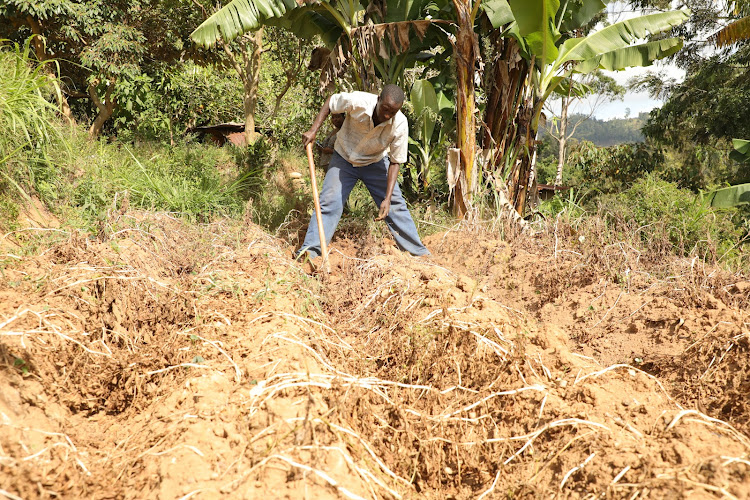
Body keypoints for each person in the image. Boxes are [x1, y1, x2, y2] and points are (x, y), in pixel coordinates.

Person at [297, 85, 430, 260]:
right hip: (343, 157)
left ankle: (417, 252)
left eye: (393, 112)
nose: (388, 115)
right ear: (379, 100)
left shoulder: (400, 125)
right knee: (329, 202)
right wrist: (313, 130)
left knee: (395, 205)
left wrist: (387, 199)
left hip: (374, 162)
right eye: (385, 109)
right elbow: (331, 102)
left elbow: (395, 162)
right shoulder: (359, 101)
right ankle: (311, 252)